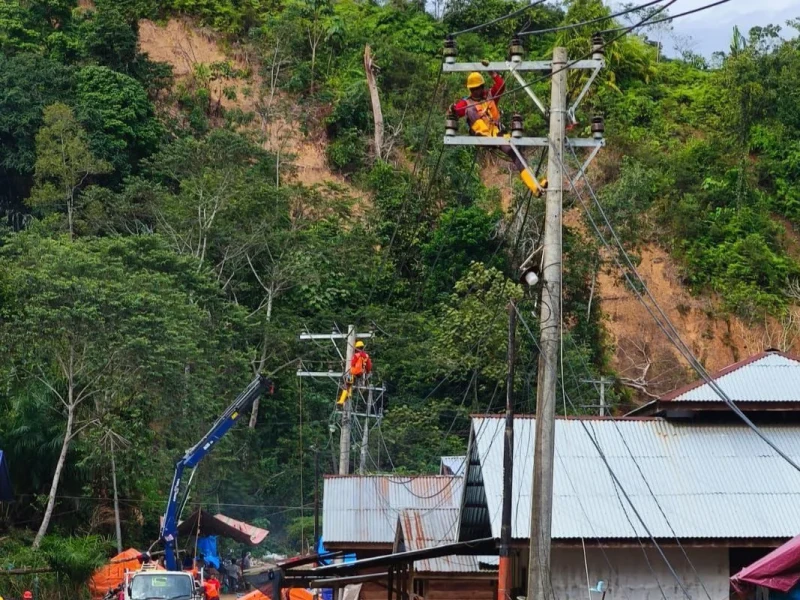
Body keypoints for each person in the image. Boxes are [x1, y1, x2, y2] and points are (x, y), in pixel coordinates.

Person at [449, 67, 547, 197]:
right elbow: (457, 110)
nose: (476, 91)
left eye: (478, 88)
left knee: (516, 154)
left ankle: (535, 186)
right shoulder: (467, 103)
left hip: (497, 133)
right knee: (471, 110)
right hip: (481, 135)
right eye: (473, 89)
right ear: (470, 90)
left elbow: (501, 86)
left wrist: (493, 73)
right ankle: (484, 134)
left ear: (482, 86)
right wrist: (453, 109)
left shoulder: (490, 96)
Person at [337, 340, 373, 405]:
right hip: (361, 374)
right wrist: (367, 372)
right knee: (351, 383)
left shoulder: (356, 355)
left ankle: (341, 401)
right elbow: (369, 366)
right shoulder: (366, 356)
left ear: (357, 348)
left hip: (353, 372)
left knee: (347, 384)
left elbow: (352, 363)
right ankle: (349, 394)